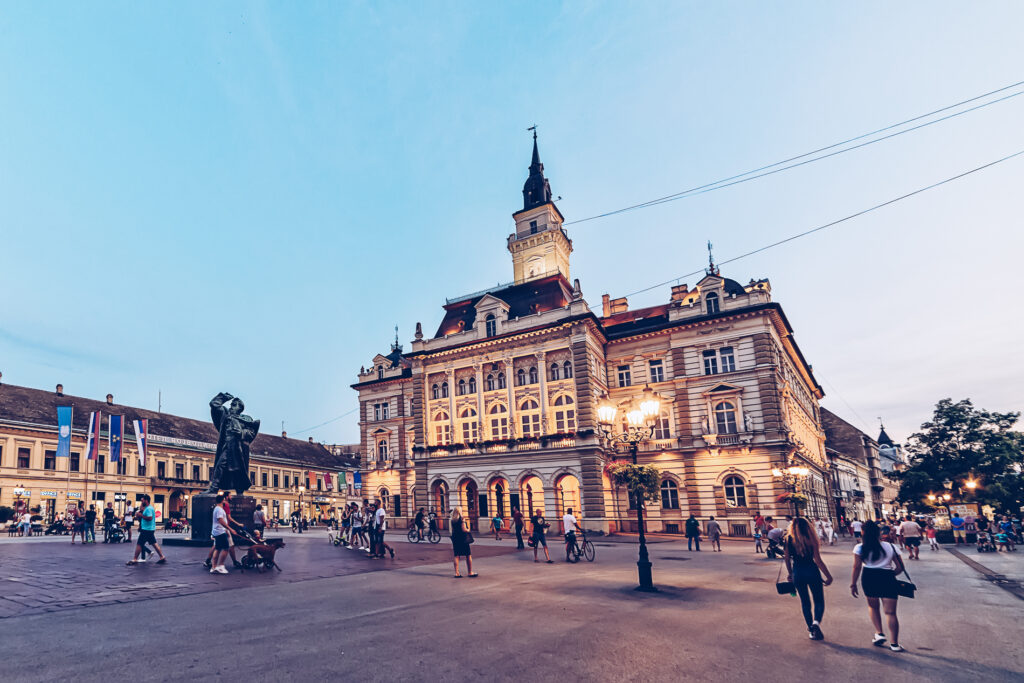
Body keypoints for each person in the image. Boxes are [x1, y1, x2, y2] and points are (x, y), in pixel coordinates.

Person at [850, 520, 905, 652]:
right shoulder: (890, 547)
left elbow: (856, 567)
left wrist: (853, 584)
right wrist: (891, 575)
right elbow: (900, 567)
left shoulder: (860, 548)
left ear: (863, 533)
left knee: (873, 607)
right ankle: (895, 644)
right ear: (878, 532)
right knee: (891, 612)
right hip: (887, 577)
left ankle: (879, 633)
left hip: (869, 577)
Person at [784, 517, 833, 640]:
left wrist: (790, 574)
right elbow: (818, 560)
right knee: (819, 600)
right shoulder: (812, 539)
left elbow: (786, 559)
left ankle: (811, 629)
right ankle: (816, 622)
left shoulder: (788, 539)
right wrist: (828, 576)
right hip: (812, 571)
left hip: (798, 572)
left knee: (805, 602)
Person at [127, 494, 166, 565]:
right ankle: (162, 556)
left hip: (146, 529)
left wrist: (140, 515)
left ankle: (135, 559)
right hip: (149, 529)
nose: (142, 501)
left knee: (139, 543)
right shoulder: (148, 508)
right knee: (154, 543)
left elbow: (150, 518)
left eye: (143, 500)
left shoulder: (148, 509)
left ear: (146, 500)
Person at [449, 507, 476, 578]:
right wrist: (468, 530)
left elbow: (452, 530)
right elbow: (464, 529)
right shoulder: (461, 518)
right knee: (468, 555)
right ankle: (470, 572)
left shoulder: (452, 520)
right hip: (463, 539)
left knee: (456, 555)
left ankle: (456, 573)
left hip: (456, 538)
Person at [209, 495, 231, 574]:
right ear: (223, 500)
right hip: (220, 532)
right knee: (226, 548)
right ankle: (221, 566)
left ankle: (214, 567)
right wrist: (229, 529)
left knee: (217, 549)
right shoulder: (219, 510)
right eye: (224, 500)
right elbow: (221, 520)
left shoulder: (217, 509)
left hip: (217, 531)